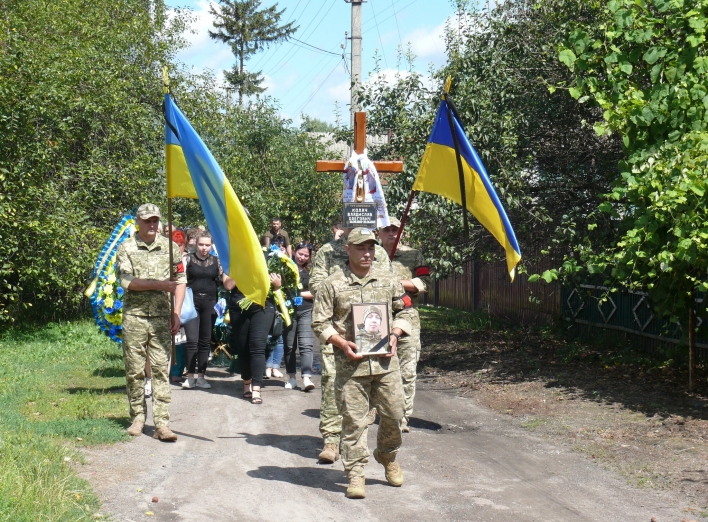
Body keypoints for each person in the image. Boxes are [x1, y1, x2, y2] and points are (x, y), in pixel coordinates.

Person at [311, 227, 414, 499]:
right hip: (351, 367)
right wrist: (341, 343)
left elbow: (406, 310)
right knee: (354, 423)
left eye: (370, 247)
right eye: (360, 248)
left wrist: (394, 334)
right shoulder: (332, 284)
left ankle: (387, 454)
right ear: (348, 250)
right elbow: (319, 322)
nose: (367, 253)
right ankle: (356, 474)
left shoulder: (388, 279)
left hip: (385, 365)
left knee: (394, 414)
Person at [309, 227, 391, 464]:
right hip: (338, 329)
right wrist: (343, 290)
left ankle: (354, 440)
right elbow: (316, 284)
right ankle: (331, 439)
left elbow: (386, 285)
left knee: (367, 386)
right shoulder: (327, 251)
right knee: (333, 381)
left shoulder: (379, 253)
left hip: (372, 331)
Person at [116, 203, 186, 442]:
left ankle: (162, 424)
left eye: (155, 220)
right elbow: (128, 281)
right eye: (147, 220)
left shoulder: (171, 248)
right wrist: (160, 284)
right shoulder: (126, 248)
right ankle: (137, 418)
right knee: (135, 370)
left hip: (161, 319)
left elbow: (180, 280)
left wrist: (176, 312)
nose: (152, 225)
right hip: (135, 317)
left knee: (160, 371)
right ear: (138, 221)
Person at [379, 217, 431, 433]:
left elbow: (423, 284)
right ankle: (381, 411)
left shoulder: (413, 255)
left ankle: (402, 417)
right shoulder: (371, 255)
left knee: (407, 370)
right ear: (379, 233)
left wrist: (397, 283)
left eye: (396, 229)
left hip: (407, 316)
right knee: (378, 369)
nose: (392, 233)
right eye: (387, 229)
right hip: (377, 319)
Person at [226, 251, 282, 405]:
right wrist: (241, 271)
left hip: (263, 307)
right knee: (243, 348)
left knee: (257, 346)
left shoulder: (268, 261)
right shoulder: (234, 264)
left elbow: (278, 286)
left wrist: (277, 284)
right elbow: (228, 284)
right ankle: (246, 384)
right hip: (239, 306)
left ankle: (256, 388)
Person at [182, 231, 222, 390]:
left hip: (210, 302)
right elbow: (180, 280)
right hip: (191, 302)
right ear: (195, 244)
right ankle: (190, 377)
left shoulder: (217, 261)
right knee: (192, 340)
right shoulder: (188, 259)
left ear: (211, 245)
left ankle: (201, 377)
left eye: (207, 245)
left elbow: (224, 280)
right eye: (201, 244)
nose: (204, 248)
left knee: (205, 341)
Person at [283, 242, 316, 391]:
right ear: (294, 252)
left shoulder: (312, 271)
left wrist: (298, 293)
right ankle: (291, 377)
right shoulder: (285, 267)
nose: (302, 257)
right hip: (288, 311)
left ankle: (306, 378)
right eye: (300, 254)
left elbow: (316, 292)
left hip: (306, 310)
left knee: (306, 344)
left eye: (306, 255)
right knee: (290, 346)